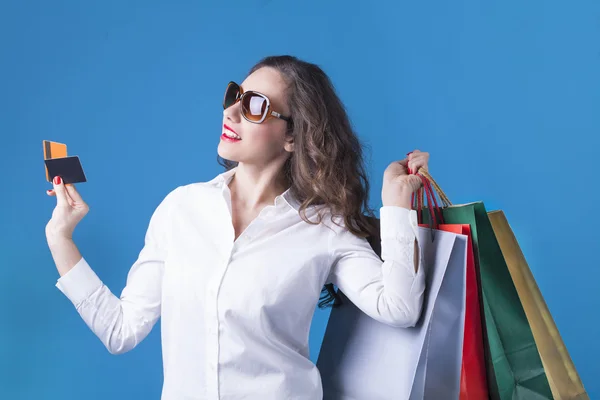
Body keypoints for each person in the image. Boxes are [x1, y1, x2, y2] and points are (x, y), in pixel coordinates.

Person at [45, 55, 429, 400]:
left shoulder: (324, 227)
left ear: (293, 136)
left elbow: (400, 307)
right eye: (234, 96)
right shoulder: (181, 208)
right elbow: (121, 331)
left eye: (254, 107)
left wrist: (396, 206)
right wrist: (60, 238)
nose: (230, 113)